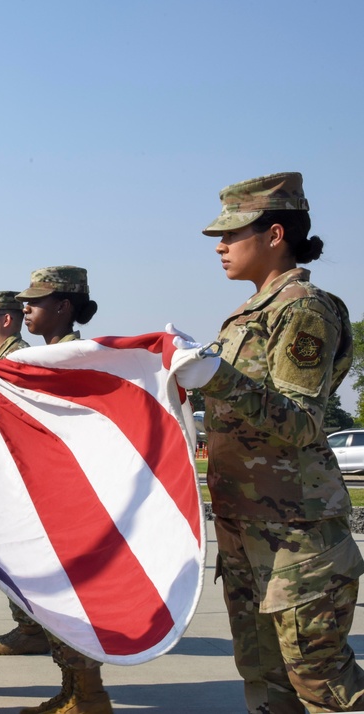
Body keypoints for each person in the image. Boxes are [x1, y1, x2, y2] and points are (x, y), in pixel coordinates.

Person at [173, 172, 364, 713]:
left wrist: (215, 376)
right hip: (246, 531)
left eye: (232, 234)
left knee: (321, 682)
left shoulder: (303, 307)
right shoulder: (248, 313)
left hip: (297, 537)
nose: (221, 246)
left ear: (275, 234)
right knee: (265, 682)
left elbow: (302, 420)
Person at [15, 267, 111, 714]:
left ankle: (88, 693)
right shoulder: (49, 355)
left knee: (77, 599)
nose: (25, 309)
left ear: (64, 306)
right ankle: (73, 688)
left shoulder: (76, 357)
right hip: (53, 499)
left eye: (35, 301)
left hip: (75, 503)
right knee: (57, 601)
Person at [0, 291, 51, 657]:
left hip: (19, 474)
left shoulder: (18, 358)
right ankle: (28, 625)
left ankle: (31, 628)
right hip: (9, 470)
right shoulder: (2, 357)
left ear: (7, 320)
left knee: (20, 554)